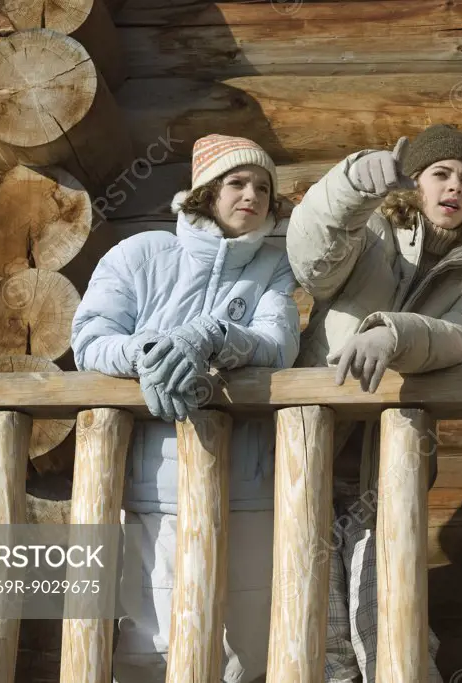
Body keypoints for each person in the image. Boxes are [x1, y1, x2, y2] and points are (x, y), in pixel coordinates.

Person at [70, 133, 301, 683]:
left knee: (246, 652)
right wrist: (150, 352)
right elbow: (90, 340)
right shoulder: (138, 254)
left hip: (248, 488)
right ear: (204, 193)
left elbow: (277, 341)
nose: (252, 195)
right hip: (152, 489)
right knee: (151, 648)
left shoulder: (274, 266)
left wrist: (214, 334)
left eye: (263, 187)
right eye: (237, 183)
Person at [286, 124, 462, 682]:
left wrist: (391, 334)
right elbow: (312, 259)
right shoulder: (375, 228)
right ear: (416, 182)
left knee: (387, 617)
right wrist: (352, 182)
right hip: (311, 446)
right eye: (440, 174)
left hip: (390, 462)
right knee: (322, 632)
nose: (454, 187)